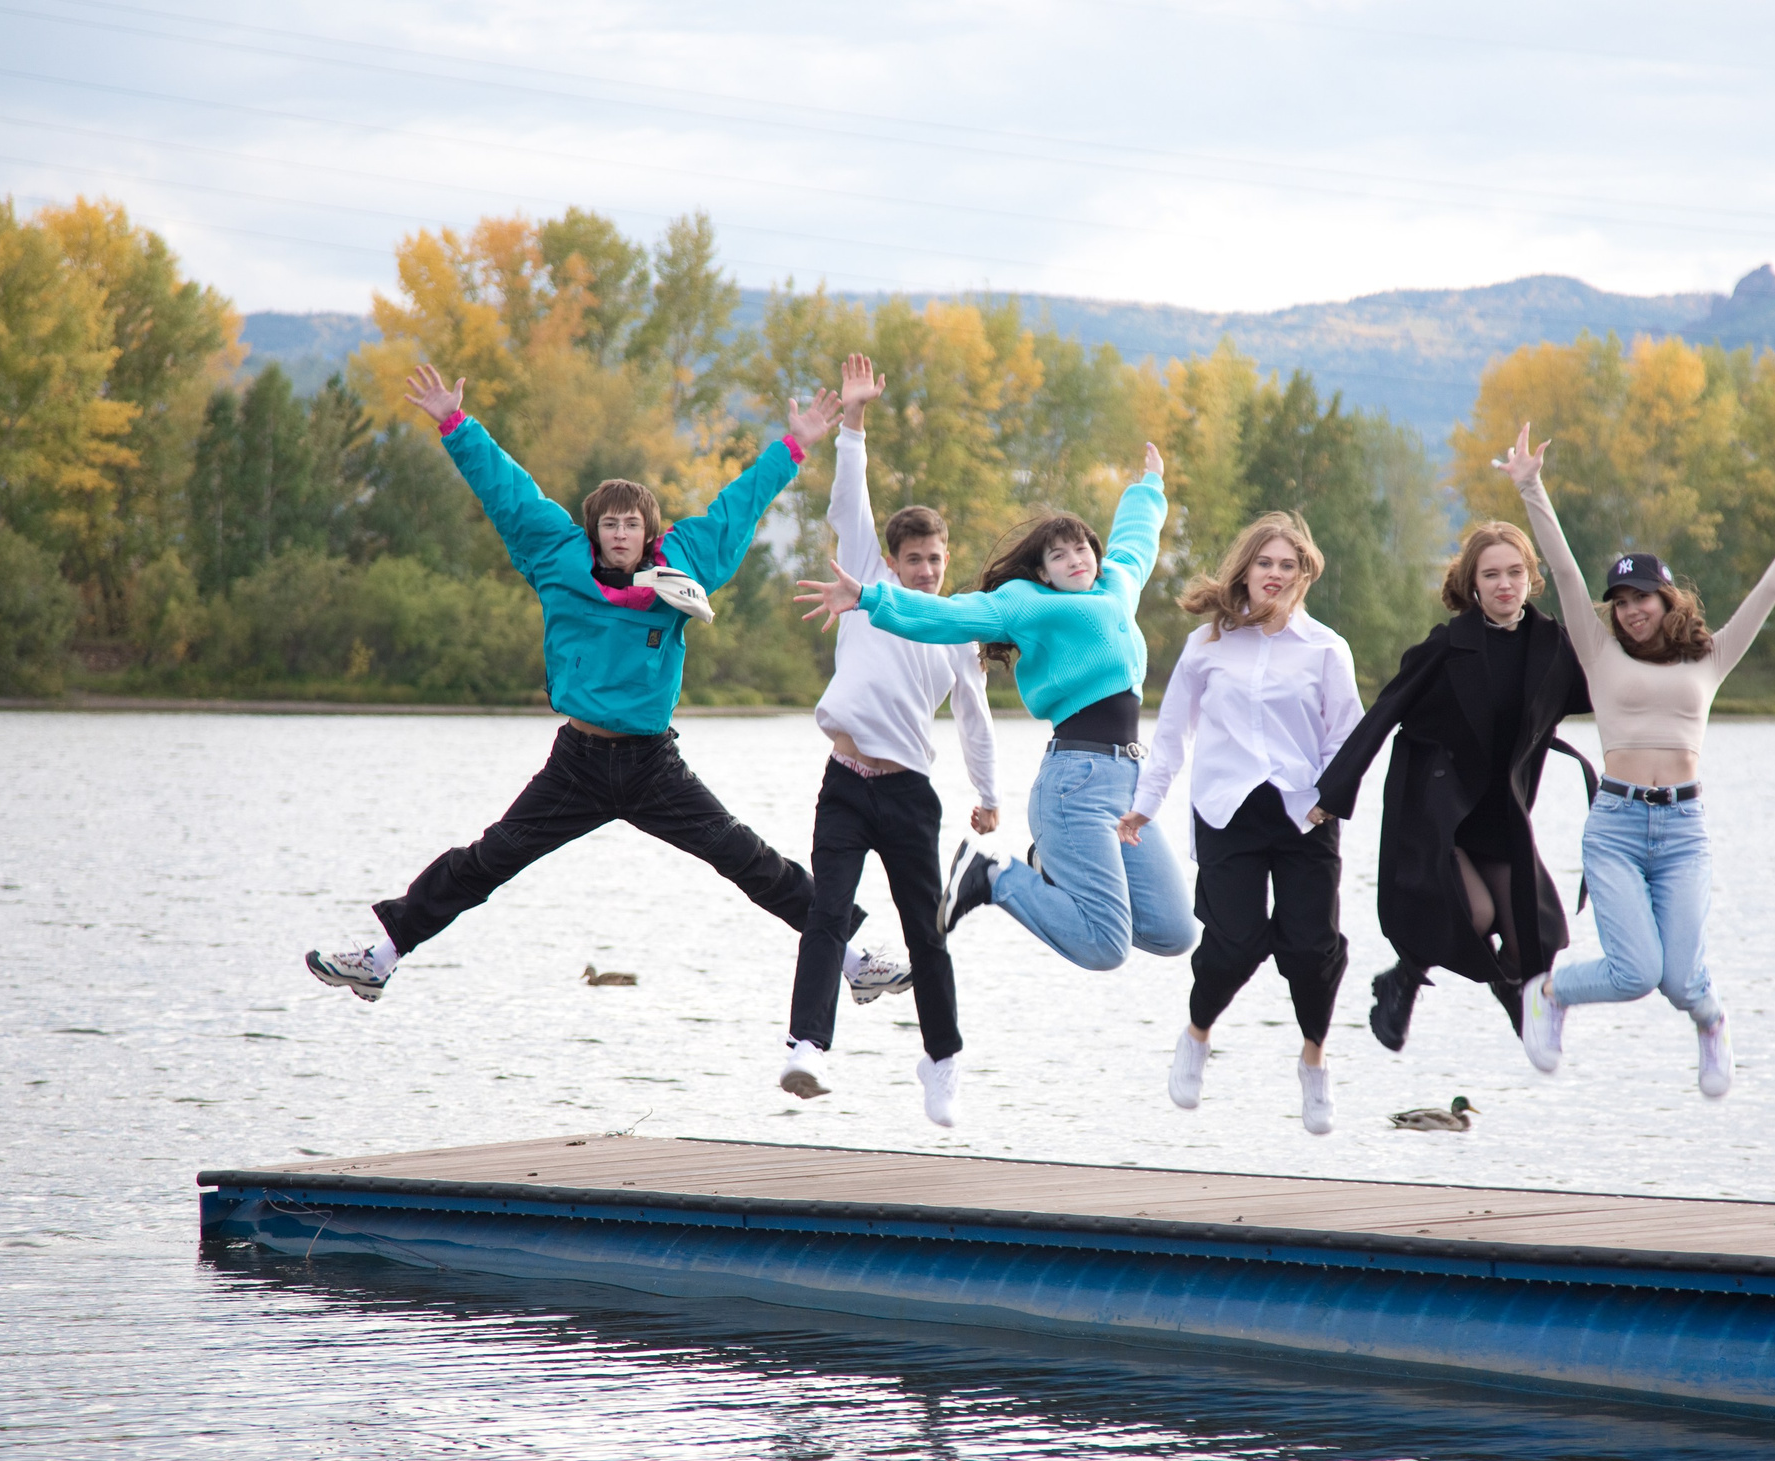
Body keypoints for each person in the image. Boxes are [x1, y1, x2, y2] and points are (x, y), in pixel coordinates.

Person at [305, 363, 898, 1003]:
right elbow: (506, 490)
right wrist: (455, 422)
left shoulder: (686, 562)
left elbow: (738, 505)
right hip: (577, 765)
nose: (620, 535)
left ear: (649, 532)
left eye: (631, 525)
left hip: (652, 765)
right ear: (595, 531)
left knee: (748, 860)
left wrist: (795, 444)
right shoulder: (556, 559)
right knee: (485, 861)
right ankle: (380, 958)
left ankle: (856, 961)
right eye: (609, 525)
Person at [1497, 421, 1775, 1096]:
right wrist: (1531, 485)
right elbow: (1564, 574)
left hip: (1684, 832)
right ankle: (1549, 992)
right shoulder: (1598, 654)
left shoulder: (1710, 656)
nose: (1630, 612)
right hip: (1618, 826)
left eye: (1642, 599)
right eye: (1620, 603)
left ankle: (1712, 1022)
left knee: (1682, 980)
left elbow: (1768, 592)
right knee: (1634, 973)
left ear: (1666, 599)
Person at [794, 445, 1193, 974]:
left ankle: (1049, 868)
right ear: (1043, 572)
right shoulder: (1026, 603)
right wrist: (870, 598)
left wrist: (1150, 485)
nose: (1076, 560)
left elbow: (1136, 542)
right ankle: (995, 874)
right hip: (1077, 781)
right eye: (1059, 556)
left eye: (1081, 550)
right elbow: (949, 616)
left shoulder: (1116, 585)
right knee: (1106, 946)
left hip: (1130, 783)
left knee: (1174, 932)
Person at [781, 356, 1002, 1127]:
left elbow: (975, 715)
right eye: (917, 560)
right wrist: (854, 420)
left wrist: (989, 796)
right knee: (827, 914)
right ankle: (807, 1047)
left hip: (909, 794)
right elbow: (850, 497)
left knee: (924, 934)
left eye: (938, 560)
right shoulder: (866, 587)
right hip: (845, 780)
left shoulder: (956, 629)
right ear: (893, 562)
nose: (929, 571)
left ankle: (941, 1060)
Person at [1313, 515, 1595, 1060]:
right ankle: (1405, 977)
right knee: (1478, 913)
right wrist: (1333, 794)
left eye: (1515, 572)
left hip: (1501, 816)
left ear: (1532, 578)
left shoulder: (1553, 645)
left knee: (1532, 934)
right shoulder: (1447, 646)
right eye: (1491, 575)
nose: (1504, 584)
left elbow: (1608, 695)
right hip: (1438, 813)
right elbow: (1383, 713)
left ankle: (1517, 996)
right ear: (1472, 584)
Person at [1119, 513, 1363, 1134]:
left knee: (1311, 947)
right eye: (1265, 563)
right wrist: (1145, 805)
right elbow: (1172, 733)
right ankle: (1197, 1035)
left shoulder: (1326, 649)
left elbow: (1348, 738)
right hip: (1228, 811)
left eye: (1288, 565)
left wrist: (1329, 799)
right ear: (1246, 570)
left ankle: (1314, 1060)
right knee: (1235, 942)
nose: (1275, 575)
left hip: (1306, 812)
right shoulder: (1207, 645)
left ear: (1303, 574)